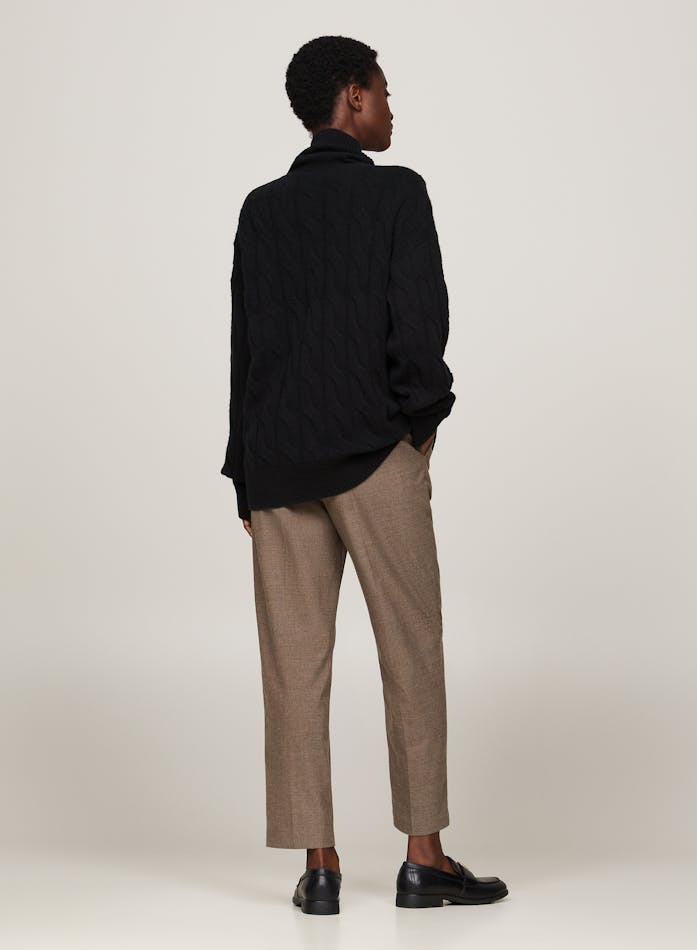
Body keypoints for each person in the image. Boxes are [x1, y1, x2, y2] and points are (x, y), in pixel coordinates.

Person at [220, 34, 508, 914]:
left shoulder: (261, 208)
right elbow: (419, 322)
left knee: (292, 667)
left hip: (277, 463)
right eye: (382, 91)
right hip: (373, 452)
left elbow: (246, 345)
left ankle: (320, 868)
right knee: (410, 648)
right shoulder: (396, 191)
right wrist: (420, 424)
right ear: (351, 96)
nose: (390, 107)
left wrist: (243, 472)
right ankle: (424, 858)